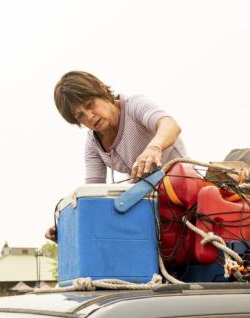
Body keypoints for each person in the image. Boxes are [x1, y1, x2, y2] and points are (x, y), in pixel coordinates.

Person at [47, 71, 188, 241]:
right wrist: (65, 226)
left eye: (90, 105)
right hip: (148, 206)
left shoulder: (134, 105)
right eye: (80, 116)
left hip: (182, 190)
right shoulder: (93, 144)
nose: (90, 116)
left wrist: (154, 147)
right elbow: (93, 193)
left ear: (101, 90)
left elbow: (170, 125)